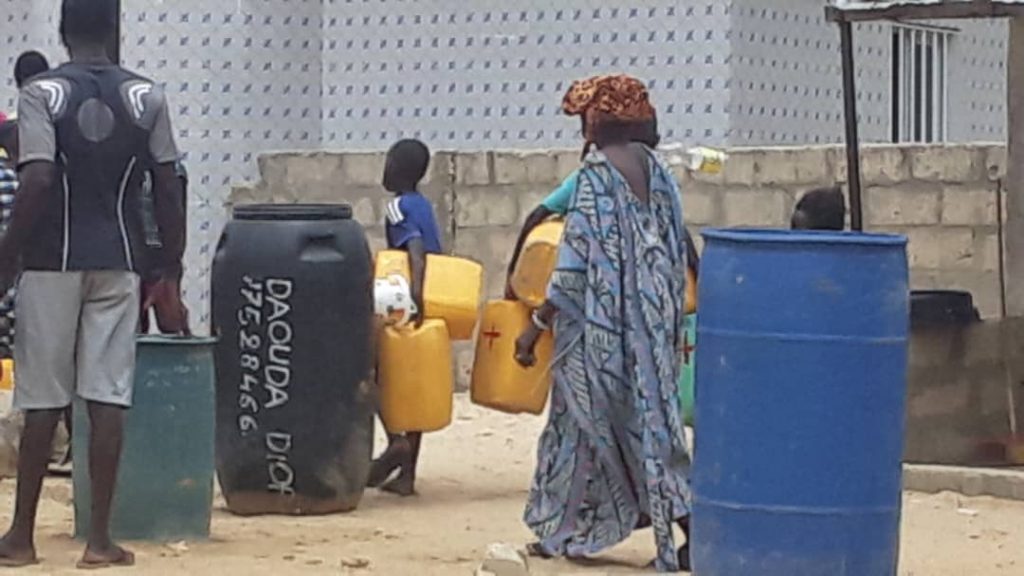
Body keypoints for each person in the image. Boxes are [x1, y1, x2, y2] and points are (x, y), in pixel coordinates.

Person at [0, 0, 187, 568]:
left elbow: (37, 179)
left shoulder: (41, 94)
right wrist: (169, 269)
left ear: (62, 30)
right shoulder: (147, 96)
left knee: (42, 399)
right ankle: (99, 541)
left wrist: (7, 257)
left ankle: (21, 538)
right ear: (112, 28)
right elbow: (168, 186)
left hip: (50, 261)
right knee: (107, 395)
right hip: (120, 260)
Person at [515, 75, 693, 572]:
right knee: (639, 426)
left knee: (591, 426)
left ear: (599, 120)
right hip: (651, 328)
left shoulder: (595, 176)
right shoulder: (658, 172)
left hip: (599, 331)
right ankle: (563, 531)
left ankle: (690, 524)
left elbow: (573, 268)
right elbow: (677, 247)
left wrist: (536, 325)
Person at [366, 138, 441, 497]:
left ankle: (395, 439)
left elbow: (415, 248)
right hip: (433, 299)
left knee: (374, 374)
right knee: (415, 381)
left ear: (396, 169)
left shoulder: (398, 207)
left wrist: (415, 294)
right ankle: (407, 474)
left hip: (403, 300)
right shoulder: (424, 205)